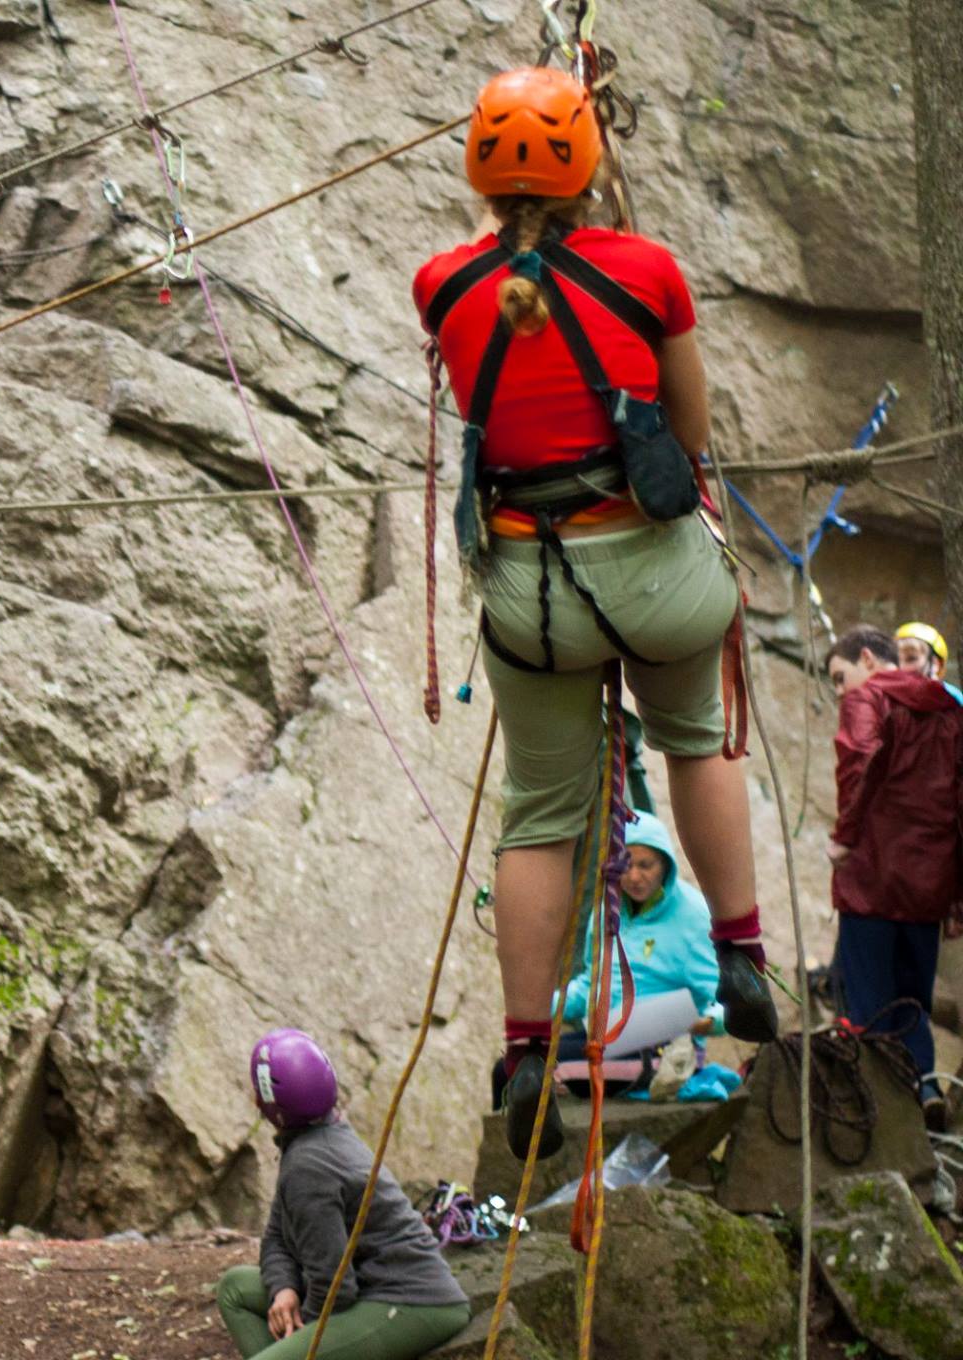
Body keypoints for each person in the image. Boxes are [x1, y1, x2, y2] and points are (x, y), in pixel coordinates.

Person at [413, 65, 776, 1162]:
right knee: (696, 738)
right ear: (592, 166)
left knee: (539, 814)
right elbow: (688, 425)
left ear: (477, 165)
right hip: (653, 576)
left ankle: (528, 1048)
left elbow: (504, 347)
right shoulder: (647, 271)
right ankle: (742, 955)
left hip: (529, 591)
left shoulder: (440, 285)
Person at [213, 1030, 471, 1360]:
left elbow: (335, 1287)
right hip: (367, 1288)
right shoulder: (317, 1138)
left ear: (265, 1105)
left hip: (412, 1302)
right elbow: (277, 1235)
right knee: (235, 1287)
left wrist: (305, 1329)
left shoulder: (308, 1166)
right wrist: (284, 1289)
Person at [826, 624, 963, 1132]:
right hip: (929, 884)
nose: (842, 691)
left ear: (865, 658)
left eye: (840, 678)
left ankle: (880, 1115)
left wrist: (844, 836)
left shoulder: (870, 697)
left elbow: (859, 760)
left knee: (865, 999)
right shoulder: (951, 710)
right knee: (913, 999)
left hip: (872, 879)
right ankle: (924, 1084)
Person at [553, 811, 723, 1095]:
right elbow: (589, 984)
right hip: (607, 1035)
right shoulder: (608, 908)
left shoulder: (692, 915)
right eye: (626, 865)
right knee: (520, 1061)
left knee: (545, 1071)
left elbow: (720, 999)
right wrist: (540, 1010)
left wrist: (706, 1022)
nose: (634, 876)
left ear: (665, 865)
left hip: (664, 1052)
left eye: (646, 865)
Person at [893, 621, 963, 705]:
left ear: (935, 664)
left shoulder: (952, 697)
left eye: (911, 659)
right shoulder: (891, 696)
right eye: (895, 660)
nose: (901, 667)